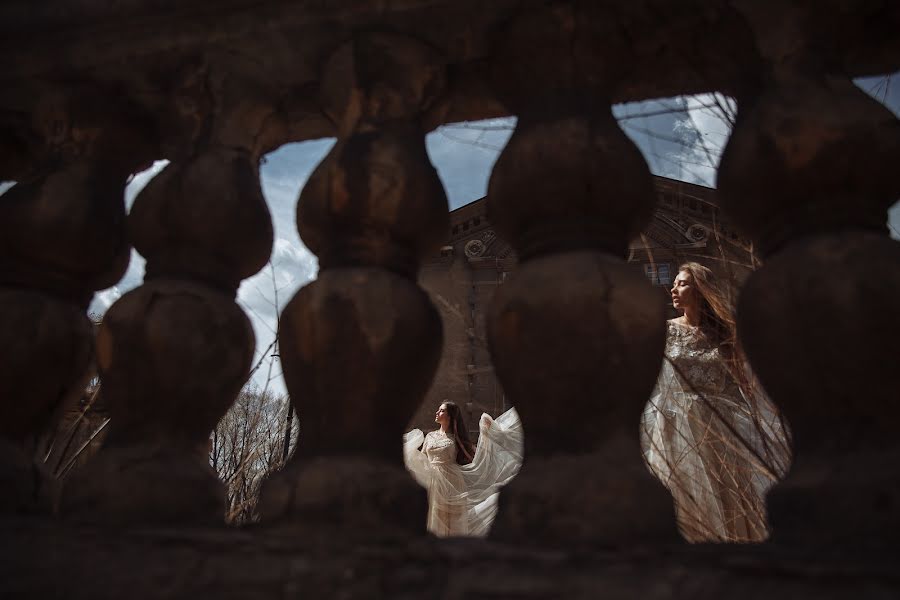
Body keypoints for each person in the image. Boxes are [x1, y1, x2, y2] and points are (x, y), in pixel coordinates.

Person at [641, 262, 791, 542]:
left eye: (682, 283)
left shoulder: (727, 335)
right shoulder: (664, 331)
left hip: (721, 427)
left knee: (728, 499)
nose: (673, 288)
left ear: (701, 290)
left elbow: (744, 386)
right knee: (685, 496)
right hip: (677, 428)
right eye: (673, 283)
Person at [403, 401, 523, 537]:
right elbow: (423, 457)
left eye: (441, 410)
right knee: (433, 515)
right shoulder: (430, 436)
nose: (437, 413)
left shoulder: (457, 439)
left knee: (452, 520)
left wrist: (486, 432)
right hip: (434, 480)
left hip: (452, 481)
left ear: (450, 416)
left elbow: (476, 456)